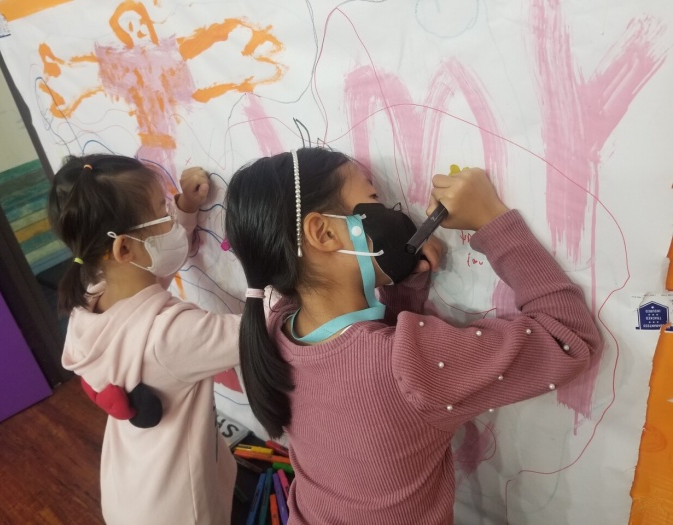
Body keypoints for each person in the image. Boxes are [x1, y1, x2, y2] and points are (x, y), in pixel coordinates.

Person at [223, 147, 602, 525]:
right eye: (375, 200)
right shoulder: (411, 364)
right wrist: (491, 219)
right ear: (323, 233)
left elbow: (363, 370)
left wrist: (403, 289)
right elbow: (569, 338)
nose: (394, 212)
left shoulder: (277, 328)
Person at [48, 154, 240, 525]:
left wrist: (185, 208)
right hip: (181, 510)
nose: (170, 217)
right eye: (162, 211)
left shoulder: (91, 301)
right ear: (123, 249)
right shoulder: (171, 335)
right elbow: (261, 332)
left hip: (131, 491)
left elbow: (148, 277)